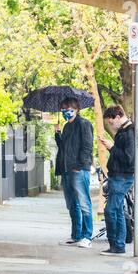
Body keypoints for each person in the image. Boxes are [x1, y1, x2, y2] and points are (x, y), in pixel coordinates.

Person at [55, 98, 94, 249]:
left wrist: (80, 165)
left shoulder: (84, 124)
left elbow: (87, 147)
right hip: (66, 169)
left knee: (84, 203)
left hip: (78, 170)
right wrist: (58, 134)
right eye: (64, 109)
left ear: (77, 109)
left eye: (69, 108)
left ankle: (87, 236)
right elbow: (63, 148)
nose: (66, 111)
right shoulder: (66, 127)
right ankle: (76, 235)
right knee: (72, 205)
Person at [99, 105, 135, 256]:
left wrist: (112, 148)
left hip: (122, 176)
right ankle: (117, 245)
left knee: (111, 210)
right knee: (117, 210)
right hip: (118, 176)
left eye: (111, 122)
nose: (111, 125)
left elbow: (128, 158)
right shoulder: (124, 131)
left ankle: (116, 244)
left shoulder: (129, 132)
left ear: (118, 116)